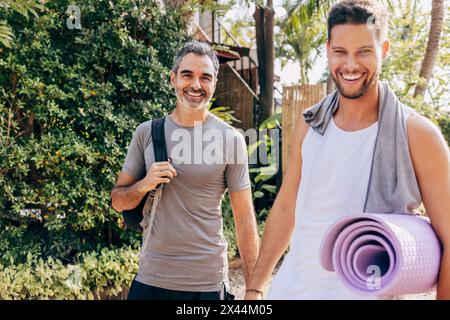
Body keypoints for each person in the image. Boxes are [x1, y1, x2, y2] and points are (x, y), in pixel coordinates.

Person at [245, 0, 450, 300]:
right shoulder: (309, 125)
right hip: (289, 291)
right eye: (341, 52)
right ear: (328, 49)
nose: (351, 65)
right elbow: (287, 206)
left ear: (385, 50)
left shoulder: (417, 135)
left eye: (364, 51)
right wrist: (254, 289)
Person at [111, 40, 259, 300]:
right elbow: (118, 201)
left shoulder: (231, 139)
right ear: (173, 78)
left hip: (206, 284)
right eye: (187, 75)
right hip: (151, 278)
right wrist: (145, 183)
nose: (196, 85)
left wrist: (253, 290)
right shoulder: (147, 133)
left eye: (205, 77)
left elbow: (245, 219)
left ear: (214, 83)